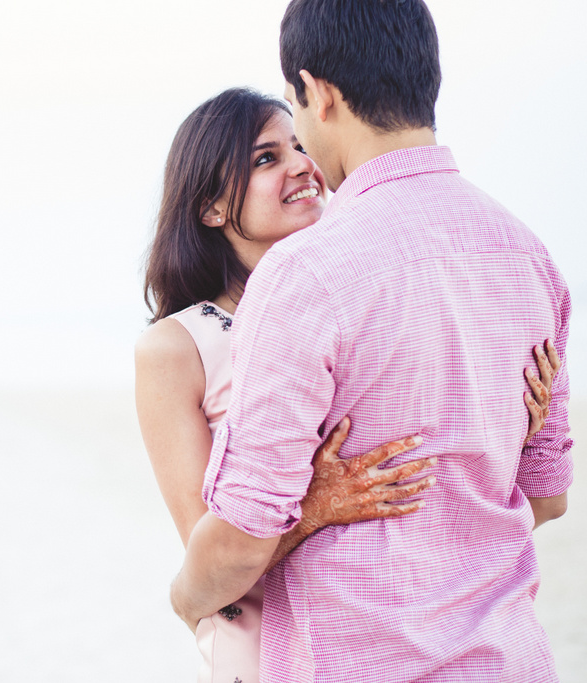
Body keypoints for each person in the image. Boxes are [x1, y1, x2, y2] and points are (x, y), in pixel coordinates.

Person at [168, 1, 573, 681]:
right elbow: (548, 497)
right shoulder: (529, 258)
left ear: (318, 94)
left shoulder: (304, 275)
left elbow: (238, 545)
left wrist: (183, 595)